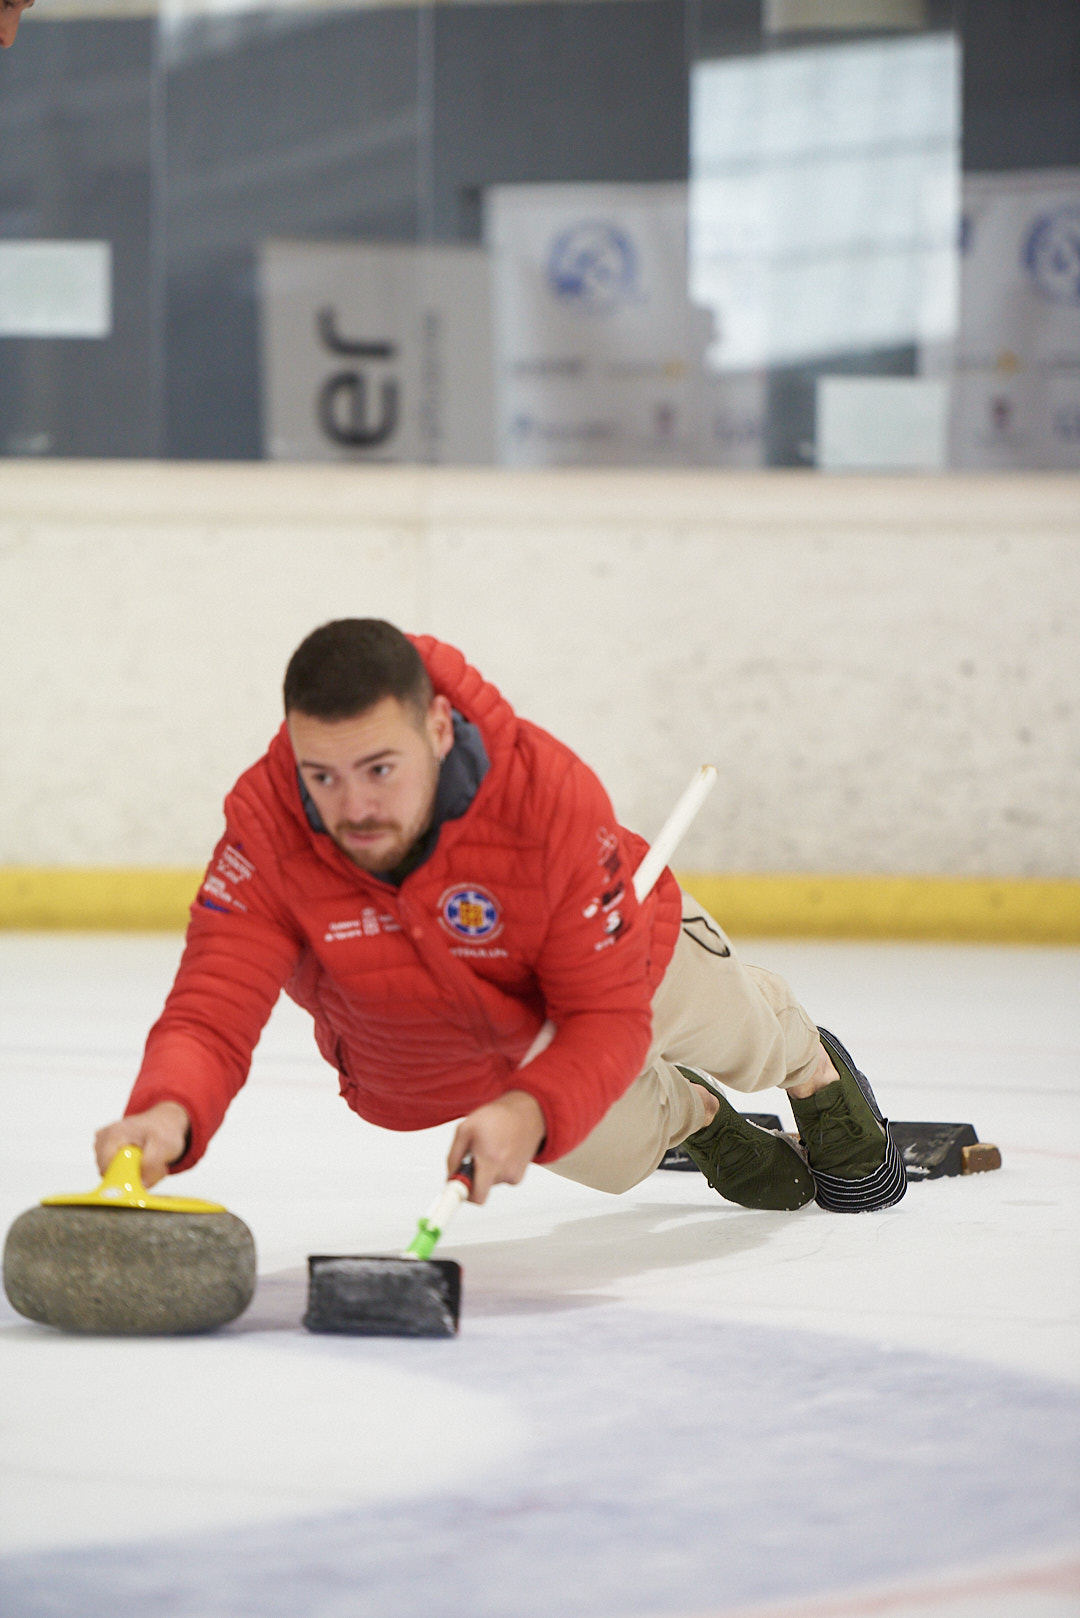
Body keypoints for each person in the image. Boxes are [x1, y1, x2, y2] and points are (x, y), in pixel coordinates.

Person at [94, 620, 906, 1216]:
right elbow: (212, 1009)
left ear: (439, 730)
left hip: (626, 963)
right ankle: (694, 1116)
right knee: (616, 1155)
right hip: (483, 1046)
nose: (353, 808)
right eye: (323, 778)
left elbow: (605, 1013)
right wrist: (170, 1107)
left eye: (381, 768)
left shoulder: (545, 796)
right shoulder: (269, 829)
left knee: (746, 1043)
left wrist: (527, 1110)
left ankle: (812, 1069)